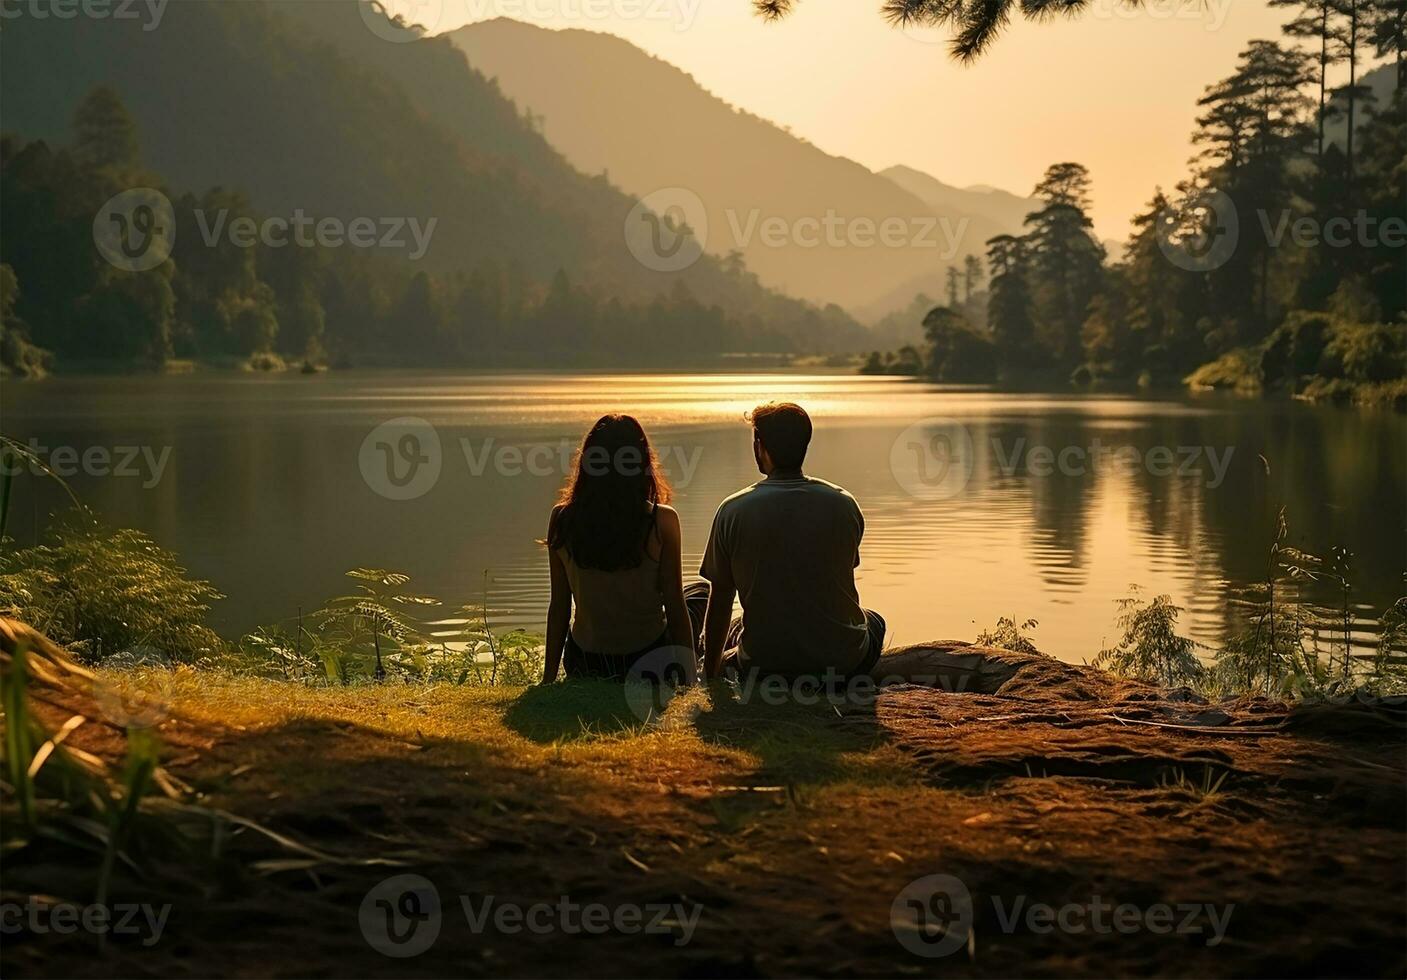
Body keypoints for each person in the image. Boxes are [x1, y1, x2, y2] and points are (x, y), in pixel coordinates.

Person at [689, 402, 886, 682]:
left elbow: (721, 598)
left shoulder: (733, 510)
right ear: (805, 444)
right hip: (842, 662)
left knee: (735, 627)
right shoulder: (843, 503)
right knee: (874, 620)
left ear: (760, 445)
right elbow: (839, 579)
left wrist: (709, 673)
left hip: (764, 665)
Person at [542, 414, 696, 683]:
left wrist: (548, 679)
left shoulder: (562, 518)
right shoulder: (662, 521)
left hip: (586, 661)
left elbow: (559, 607)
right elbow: (673, 603)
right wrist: (690, 678)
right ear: (642, 463)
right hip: (648, 660)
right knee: (699, 595)